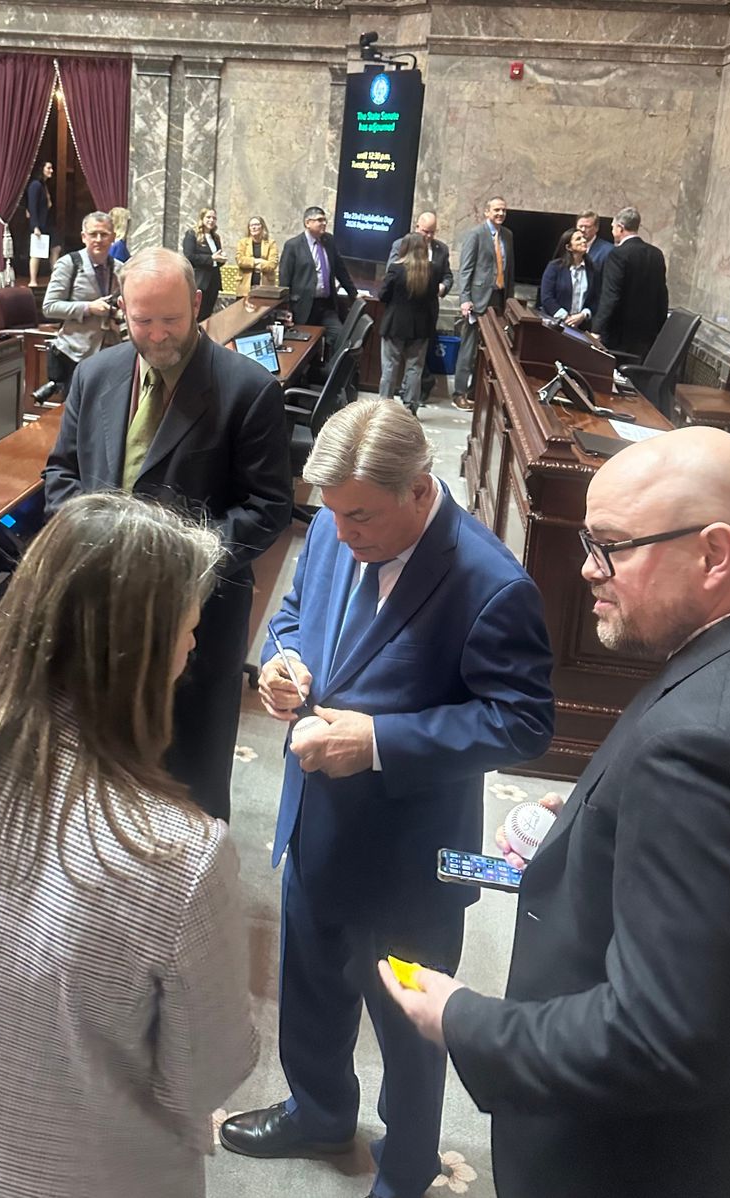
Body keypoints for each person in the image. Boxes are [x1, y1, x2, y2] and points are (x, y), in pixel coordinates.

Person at [379, 426, 730, 1198]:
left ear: (714, 553)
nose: (586, 568)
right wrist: (601, 829)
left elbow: (659, 1040)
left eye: (611, 546)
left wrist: (461, 1019)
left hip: (643, 1162)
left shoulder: (704, 745)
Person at [0, 492, 258, 1198]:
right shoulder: (180, 856)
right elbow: (205, 1073)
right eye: (188, 630)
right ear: (139, 657)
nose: (193, 650)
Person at [219, 400, 555, 1198]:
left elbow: (522, 721)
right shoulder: (344, 525)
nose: (340, 533)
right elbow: (297, 612)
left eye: (359, 515)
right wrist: (284, 661)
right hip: (315, 818)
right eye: (328, 514)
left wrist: (376, 743)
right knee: (310, 987)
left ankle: (407, 1168)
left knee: (410, 1025)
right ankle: (320, 1110)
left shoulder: (491, 582)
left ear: (417, 489)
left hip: (410, 855)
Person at [43, 247, 291, 823]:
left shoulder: (248, 390)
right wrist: (93, 541)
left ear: (198, 305)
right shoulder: (94, 374)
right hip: (102, 609)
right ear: (120, 313)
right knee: (102, 764)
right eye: (142, 319)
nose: (157, 334)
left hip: (198, 618)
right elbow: (60, 473)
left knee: (190, 777)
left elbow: (269, 508)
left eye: (171, 319)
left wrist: (170, 563)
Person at [41, 211, 124, 398]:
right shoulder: (69, 264)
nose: (98, 239)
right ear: (83, 237)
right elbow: (49, 307)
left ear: (113, 237)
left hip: (110, 352)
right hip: (75, 354)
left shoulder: (119, 269)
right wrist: (88, 307)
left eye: (104, 234)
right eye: (93, 234)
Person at [453, 196, 513, 410]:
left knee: (489, 351)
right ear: (487, 212)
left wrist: (509, 301)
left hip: (497, 300)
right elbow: (466, 269)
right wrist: (465, 298)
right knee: (468, 349)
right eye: (496, 210)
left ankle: (476, 393)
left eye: (504, 210)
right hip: (477, 301)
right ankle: (459, 392)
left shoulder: (508, 235)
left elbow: (509, 270)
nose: (500, 214)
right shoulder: (475, 235)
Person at [592, 205, 669, 362]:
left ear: (620, 228)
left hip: (619, 336)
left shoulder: (618, 255)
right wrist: (660, 329)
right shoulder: (656, 254)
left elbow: (611, 296)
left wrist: (597, 330)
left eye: (613, 227)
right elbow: (662, 294)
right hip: (648, 334)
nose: (612, 231)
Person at [378, 232, 443, 413]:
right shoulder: (434, 269)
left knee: (390, 367)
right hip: (421, 327)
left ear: (404, 248)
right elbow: (432, 297)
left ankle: (384, 408)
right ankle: (410, 408)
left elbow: (383, 295)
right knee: (415, 368)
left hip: (395, 325)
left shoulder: (396, 269)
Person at [278, 205, 359, 345]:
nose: (324, 223)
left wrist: (354, 293)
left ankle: (330, 365)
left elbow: (340, 270)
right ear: (307, 223)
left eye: (325, 220)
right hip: (303, 307)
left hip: (326, 305)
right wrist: (285, 309)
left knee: (340, 337)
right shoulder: (293, 245)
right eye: (319, 220)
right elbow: (284, 279)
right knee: (303, 345)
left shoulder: (329, 241)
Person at [537, 228, 599, 328]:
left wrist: (583, 315)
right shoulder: (555, 267)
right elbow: (547, 297)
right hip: (555, 323)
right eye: (578, 239)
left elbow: (595, 299)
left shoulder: (592, 269)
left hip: (581, 326)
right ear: (568, 247)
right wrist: (566, 317)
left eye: (583, 238)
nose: (584, 240)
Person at [181, 207, 226, 321]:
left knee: (207, 314)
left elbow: (216, 259)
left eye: (214, 218)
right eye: (208, 217)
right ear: (202, 218)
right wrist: (211, 258)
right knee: (196, 314)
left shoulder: (215, 237)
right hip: (199, 281)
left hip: (214, 281)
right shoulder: (192, 234)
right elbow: (189, 256)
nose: (211, 220)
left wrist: (221, 260)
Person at [386, 209, 452, 276]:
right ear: (417, 227)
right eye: (426, 232)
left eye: (432, 232)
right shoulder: (400, 245)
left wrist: (443, 285)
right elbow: (390, 272)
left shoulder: (442, 249)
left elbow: (447, 276)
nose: (429, 235)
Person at [26, 160, 57, 283]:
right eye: (48, 168)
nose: (51, 171)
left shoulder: (44, 185)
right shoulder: (35, 185)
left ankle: (55, 278)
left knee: (56, 247)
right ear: (42, 169)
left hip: (47, 222)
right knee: (37, 252)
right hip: (39, 223)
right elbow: (32, 206)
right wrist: (35, 226)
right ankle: (33, 280)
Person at [235, 215, 279, 295]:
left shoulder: (271, 243)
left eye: (256, 224)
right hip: (245, 286)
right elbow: (240, 260)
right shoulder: (242, 242)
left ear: (262, 227)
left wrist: (250, 264)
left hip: (265, 285)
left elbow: (272, 264)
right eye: (251, 225)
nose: (254, 227)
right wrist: (257, 261)